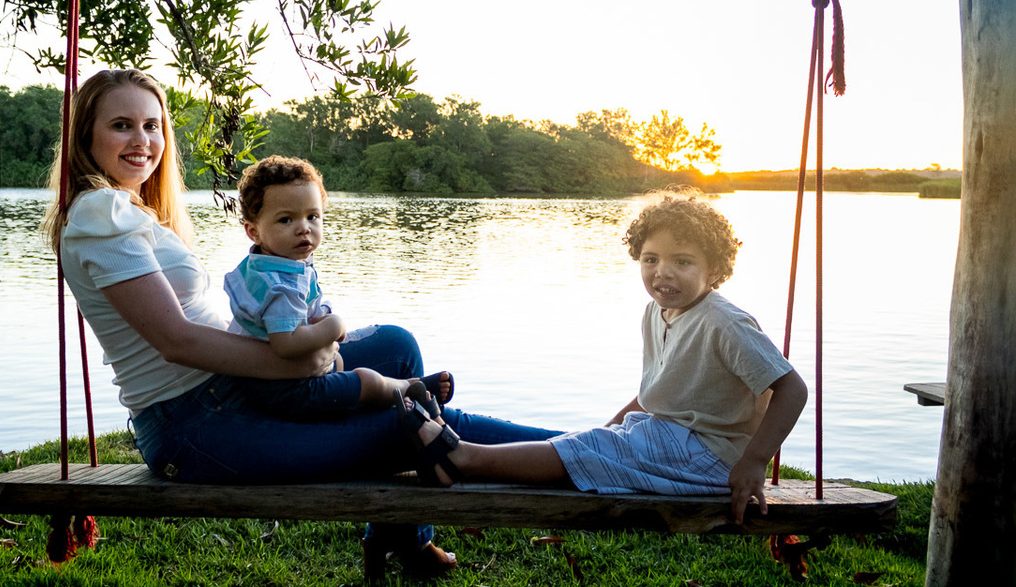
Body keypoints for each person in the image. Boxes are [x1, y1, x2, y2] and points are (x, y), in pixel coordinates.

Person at [45, 68, 558, 581]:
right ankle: (587, 449)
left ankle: (402, 538)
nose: (143, 140)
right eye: (122, 125)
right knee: (416, 422)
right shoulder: (100, 214)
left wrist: (297, 352)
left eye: (153, 125)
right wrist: (288, 364)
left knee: (396, 349)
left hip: (231, 389)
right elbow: (174, 340)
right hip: (196, 425)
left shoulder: (129, 211)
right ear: (87, 136)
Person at [395, 189, 808, 525]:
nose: (663, 272)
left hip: (712, 457)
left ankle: (461, 457)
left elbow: (792, 388)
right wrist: (610, 425)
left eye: (682, 262)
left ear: (715, 269)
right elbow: (656, 392)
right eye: (652, 260)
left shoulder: (724, 322)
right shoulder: (656, 312)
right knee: (589, 442)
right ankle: (461, 452)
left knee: (588, 450)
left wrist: (754, 462)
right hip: (670, 437)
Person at [223, 154, 454, 418]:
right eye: (286, 220)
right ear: (254, 231)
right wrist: (334, 326)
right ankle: (407, 390)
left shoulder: (270, 264)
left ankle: (417, 411)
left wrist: (320, 317)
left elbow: (295, 314)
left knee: (343, 361)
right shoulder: (278, 284)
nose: (303, 228)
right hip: (281, 390)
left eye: (312, 216)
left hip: (267, 377)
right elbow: (286, 344)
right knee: (367, 381)